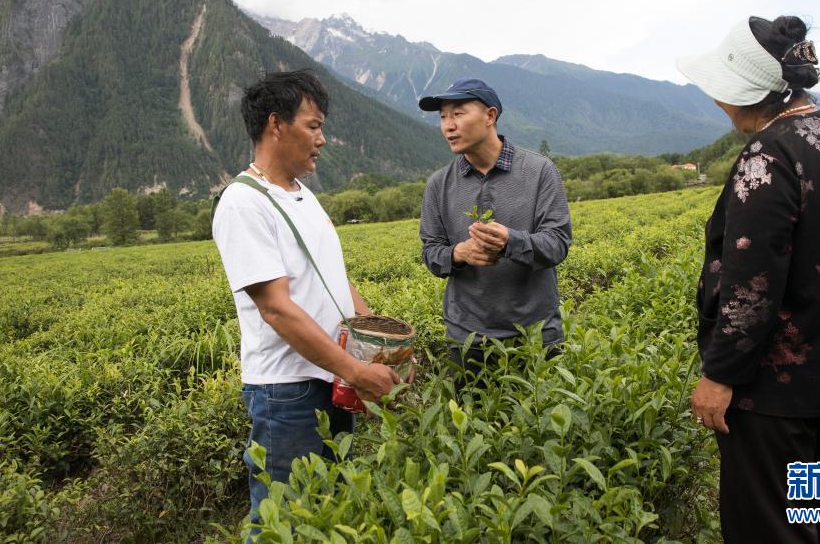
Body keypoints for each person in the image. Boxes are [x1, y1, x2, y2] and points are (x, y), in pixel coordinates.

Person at [678, 17, 820, 543]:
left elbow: (751, 284)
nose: (718, 104)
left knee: (769, 528)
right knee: (814, 517)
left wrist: (720, 375)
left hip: (777, 391)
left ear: (747, 92)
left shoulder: (769, 154)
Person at [211, 69, 399, 524]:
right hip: (288, 391)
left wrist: (375, 337)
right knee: (282, 518)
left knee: (329, 509)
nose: (322, 139)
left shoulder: (302, 195)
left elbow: (334, 276)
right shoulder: (243, 203)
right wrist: (356, 370)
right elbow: (275, 308)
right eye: (313, 126)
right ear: (276, 124)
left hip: (330, 376)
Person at [417, 78, 572, 383]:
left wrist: (511, 242)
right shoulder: (439, 184)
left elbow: (557, 244)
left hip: (535, 337)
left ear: (489, 116)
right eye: (443, 117)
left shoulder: (539, 171)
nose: (448, 125)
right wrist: (458, 253)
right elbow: (431, 252)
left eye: (458, 114)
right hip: (468, 341)